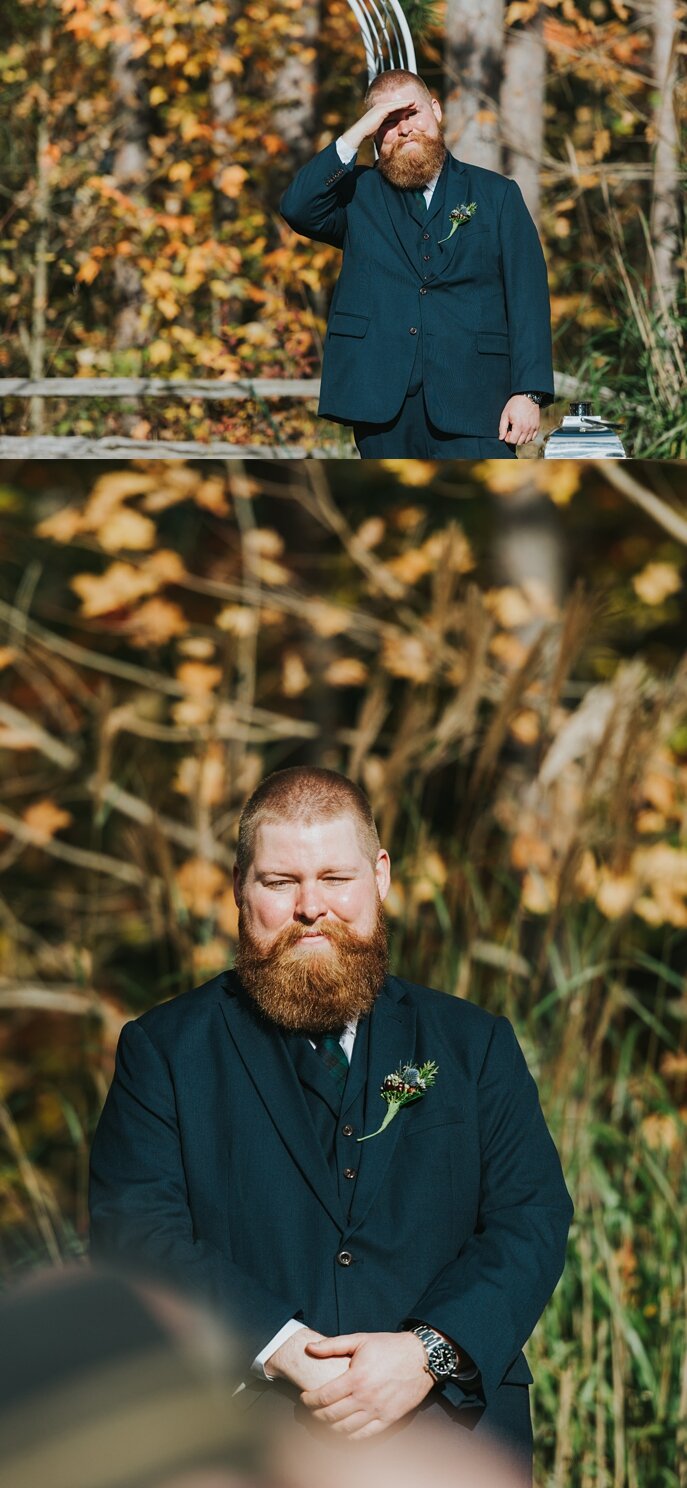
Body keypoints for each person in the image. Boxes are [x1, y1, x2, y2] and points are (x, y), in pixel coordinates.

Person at [89, 766, 574, 1483]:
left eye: (334, 878)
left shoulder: (473, 1045)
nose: (310, 907)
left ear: (379, 877)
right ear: (238, 887)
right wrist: (280, 1347)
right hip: (242, 1446)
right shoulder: (162, 1051)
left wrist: (425, 1354)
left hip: (453, 1443)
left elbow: (529, 1220)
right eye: (280, 881)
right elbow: (136, 1231)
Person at [279, 70, 554, 459]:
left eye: (412, 114)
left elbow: (527, 299)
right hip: (381, 404)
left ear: (436, 110)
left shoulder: (497, 195)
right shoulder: (357, 195)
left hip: (479, 402)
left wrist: (528, 394)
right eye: (388, 122)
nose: (404, 129)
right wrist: (354, 134)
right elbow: (297, 208)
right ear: (374, 132)